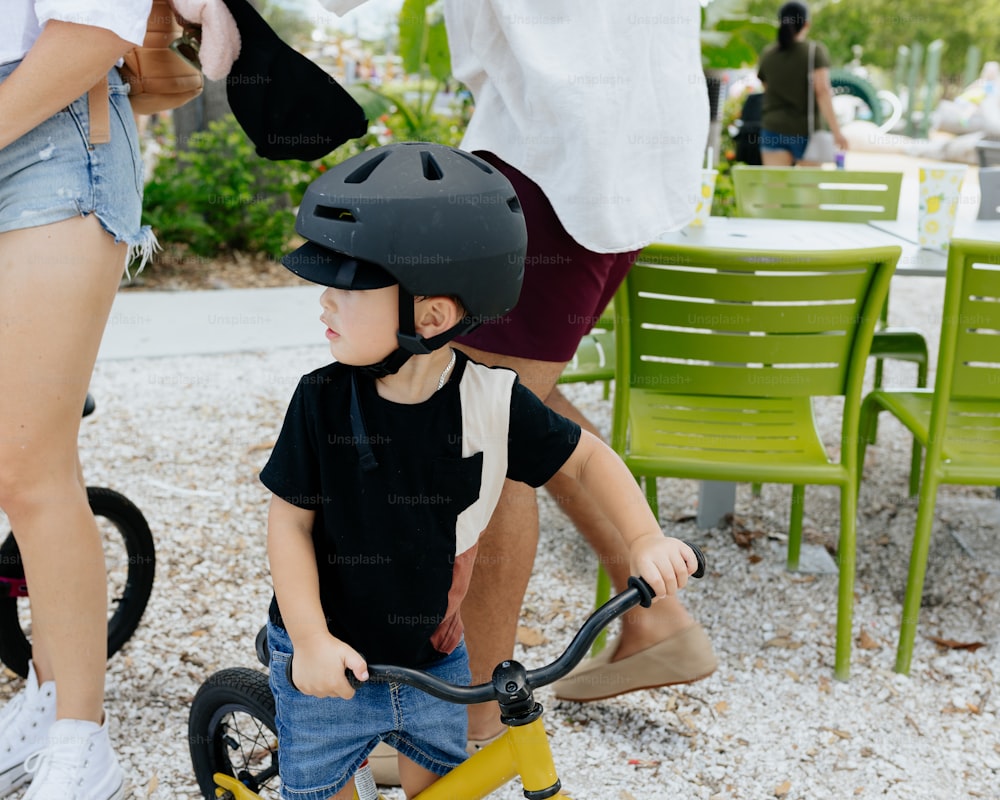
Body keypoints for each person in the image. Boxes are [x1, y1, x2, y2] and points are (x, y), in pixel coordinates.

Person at [318, 2, 718, 782]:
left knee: (477, 422)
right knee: (505, 397)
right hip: (633, 139)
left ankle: (471, 726)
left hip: (556, 148)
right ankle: (656, 613)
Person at [261, 142, 705, 800]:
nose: (326, 301)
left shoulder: (491, 401)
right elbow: (289, 526)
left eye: (350, 287)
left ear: (432, 315)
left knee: (446, 789)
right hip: (332, 660)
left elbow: (586, 457)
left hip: (433, 661)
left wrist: (643, 538)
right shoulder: (322, 401)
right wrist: (310, 639)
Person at [0, 3, 157, 799]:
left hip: (48, 128)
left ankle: (80, 742)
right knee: (31, 462)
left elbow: (99, 27)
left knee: (25, 469)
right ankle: (49, 694)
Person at [757, 1, 848, 166]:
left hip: (772, 128)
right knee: (809, 190)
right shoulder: (814, 51)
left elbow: (766, 88)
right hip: (806, 132)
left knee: (775, 188)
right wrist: (837, 132)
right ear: (806, 24)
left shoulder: (768, 54)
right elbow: (822, 92)